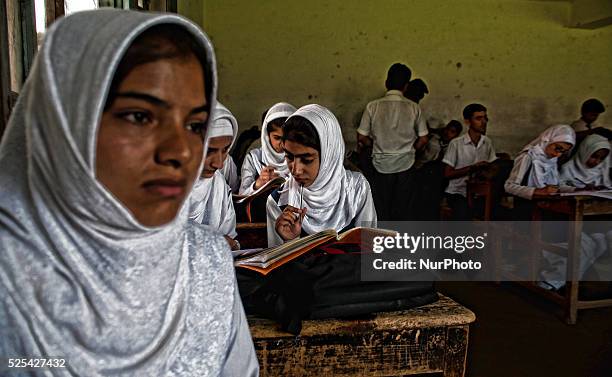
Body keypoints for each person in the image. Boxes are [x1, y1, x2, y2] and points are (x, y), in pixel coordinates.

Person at [0, 10, 258, 376]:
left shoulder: (205, 262)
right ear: (66, 120)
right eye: (140, 117)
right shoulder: (9, 272)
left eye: (194, 125)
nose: (182, 152)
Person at [267, 104, 376, 247]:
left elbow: (369, 251)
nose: (296, 170)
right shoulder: (278, 202)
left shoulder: (356, 189)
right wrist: (290, 241)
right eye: (289, 157)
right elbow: (276, 266)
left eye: (307, 160)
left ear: (329, 156)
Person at [357, 63, 428, 220]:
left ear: (386, 82)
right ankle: (400, 242)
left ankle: (382, 240)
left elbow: (362, 137)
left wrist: (375, 144)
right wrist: (412, 149)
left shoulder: (372, 106)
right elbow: (423, 139)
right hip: (406, 165)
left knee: (381, 209)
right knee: (403, 210)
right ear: (406, 86)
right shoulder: (414, 107)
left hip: (380, 165)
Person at [190, 102, 240, 250]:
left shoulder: (218, 184)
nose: (219, 164)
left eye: (225, 150)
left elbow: (230, 239)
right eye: (209, 151)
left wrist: (232, 245)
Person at [443, 104, 497, 220]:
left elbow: (492, 167)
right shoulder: (456, 144)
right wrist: (472, 168)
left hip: (478, 192)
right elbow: (447, 173)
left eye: (485, 118)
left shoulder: (487, 142)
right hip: (457, 192)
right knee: (464, 214)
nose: (483, 122)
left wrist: (488, 170)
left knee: (496, 212)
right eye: (478, 118)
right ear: (468, 121)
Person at [504, 125, 576, 200]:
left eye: (563, 151)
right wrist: (537, 191)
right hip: (527, 206)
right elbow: (509, 186)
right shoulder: (528, 156)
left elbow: (556, 185)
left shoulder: (552, 159)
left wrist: (575, 190)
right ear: (547, 140)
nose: (557, 154)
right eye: (557, 148)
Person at [239, 102, 297, 195]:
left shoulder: (301, 158)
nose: (282, 143)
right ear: (267, 136)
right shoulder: (254, 158)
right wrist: (258, 184)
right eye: (277, 138)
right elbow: (241, 196)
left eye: (288, 138)